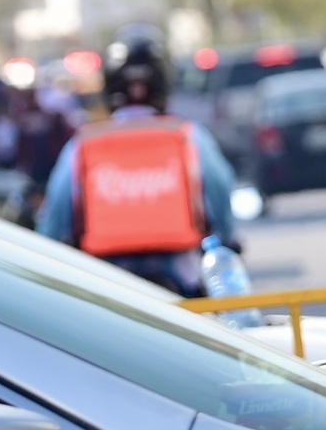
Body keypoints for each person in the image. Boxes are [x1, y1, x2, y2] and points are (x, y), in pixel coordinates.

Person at [36, 28, 239, 296]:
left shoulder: (82, 144)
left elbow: (55, 218)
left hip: (104, 283)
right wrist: (227, 239)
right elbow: (219, 191)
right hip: (182, 278)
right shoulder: (189, 135)